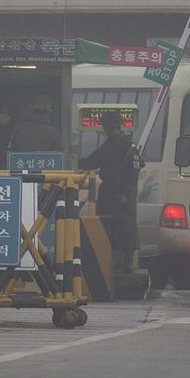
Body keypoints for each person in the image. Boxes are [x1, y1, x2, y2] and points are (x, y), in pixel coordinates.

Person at [78, 111, 144, 273]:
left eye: (107, 128)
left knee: (126, 225)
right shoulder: (108, 146)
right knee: (106, 224)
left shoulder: (129, 148)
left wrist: (126, 193)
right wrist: (74, 162)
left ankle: (128, 261)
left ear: (115, 127)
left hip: (122, 192)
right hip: (108, 190)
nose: (106, 132)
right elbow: (92, 161)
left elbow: (133, 172)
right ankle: (108, 259)